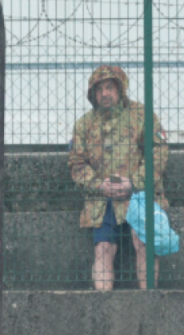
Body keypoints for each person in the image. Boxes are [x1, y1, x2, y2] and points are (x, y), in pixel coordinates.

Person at [69, 65, 170, 291]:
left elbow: (159, 152)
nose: (105, 93)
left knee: (143, 241)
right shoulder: (84, 124)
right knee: (103, 248)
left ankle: (148, 301)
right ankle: (104, 306)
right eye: (99, 89)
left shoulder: (142, 116)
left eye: (109, 87)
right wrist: (99, 185)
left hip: (140, 196)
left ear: (120, 89)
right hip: (102, 201)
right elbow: (76, 164)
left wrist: (134, 183)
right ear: (92, 94)